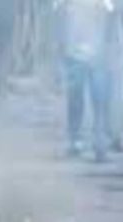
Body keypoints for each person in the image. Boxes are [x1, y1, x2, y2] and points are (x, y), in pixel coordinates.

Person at [56, 0, 116, 162]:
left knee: (97, 101)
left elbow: (112, 15)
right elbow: (60, 16)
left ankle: (97, 142)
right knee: (81, 100)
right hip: (79, 54)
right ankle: (80, 140)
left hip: (94, 55)